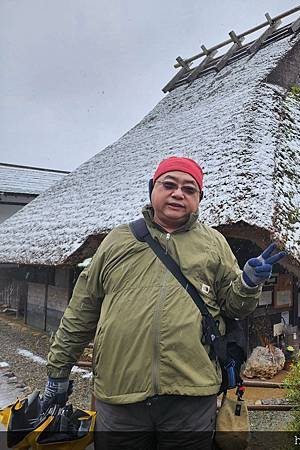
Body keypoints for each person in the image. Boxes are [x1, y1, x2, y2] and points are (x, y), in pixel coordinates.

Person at [41, 156, 285, 449]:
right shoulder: (118, 241)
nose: (178, 193)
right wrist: (58, 371)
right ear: (152, 188)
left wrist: (248, 283)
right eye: (169, 185)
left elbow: (235, 308)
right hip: (120, 392)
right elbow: (81, 310)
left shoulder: (214, 244)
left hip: (191, 394)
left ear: (199, 198)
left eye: (189, 189)